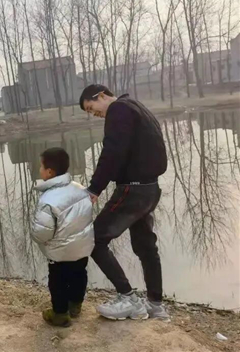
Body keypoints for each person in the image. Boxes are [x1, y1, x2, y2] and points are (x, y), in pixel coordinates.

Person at [79, 84, 169, 321]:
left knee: (95, 239)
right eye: (90, 113)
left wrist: (94, 188)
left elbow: (113, 152)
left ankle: (128, 298)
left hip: (133, 190)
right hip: (150, 189)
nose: (94, 114)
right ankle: (155, 305)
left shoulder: (118, 109)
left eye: (92, 108)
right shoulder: (137, 107)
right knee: (146, 246)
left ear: (101, 95)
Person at [31, 147, 94, 328]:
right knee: (79, 274)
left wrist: (37, 237)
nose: (39, 170)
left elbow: (42, 232)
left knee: (58, 281)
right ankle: (75, 305)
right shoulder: (81, 189)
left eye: (41, 166)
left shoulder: (47, 200)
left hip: (59, 253)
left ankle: (60, 314)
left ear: (50, 172)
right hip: (82, 247)